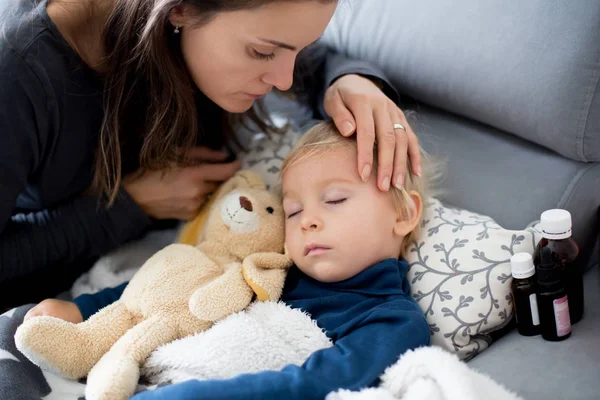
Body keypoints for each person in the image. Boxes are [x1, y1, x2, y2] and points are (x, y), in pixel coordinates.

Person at [0, 0, 422, 310]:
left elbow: (314, 59)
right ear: (179, 9)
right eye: (261, 53)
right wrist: (129, 205)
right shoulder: (19, 72)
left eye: (297, 49)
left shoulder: (205, 25)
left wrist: (349, 81)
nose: (283, 79)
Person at [25, 121, 432, 399]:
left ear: (403, 214)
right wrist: (85, 308)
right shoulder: (269, 267)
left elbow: (308, 385)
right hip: (133, 365)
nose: (307, 220)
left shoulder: (389, 320)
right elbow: (173, 287)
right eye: (291, 210)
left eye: (335, 200)